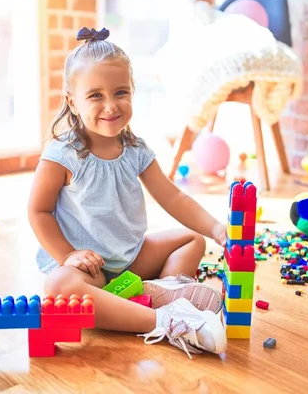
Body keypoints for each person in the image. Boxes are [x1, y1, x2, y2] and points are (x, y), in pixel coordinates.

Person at [27, 27, 228, 358]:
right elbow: (39, 211)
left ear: (133, 92)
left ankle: (160, 291)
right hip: (88, 269)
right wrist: (67, 256)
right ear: (71, 101)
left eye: (121, 92)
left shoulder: (135, 149)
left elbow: (173, 197)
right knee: (59, 286)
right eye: (95, 95)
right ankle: (163, 320)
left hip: (132, 258)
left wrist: (216, 228)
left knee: (192, 239)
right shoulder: (62, 154)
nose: (111, 106)